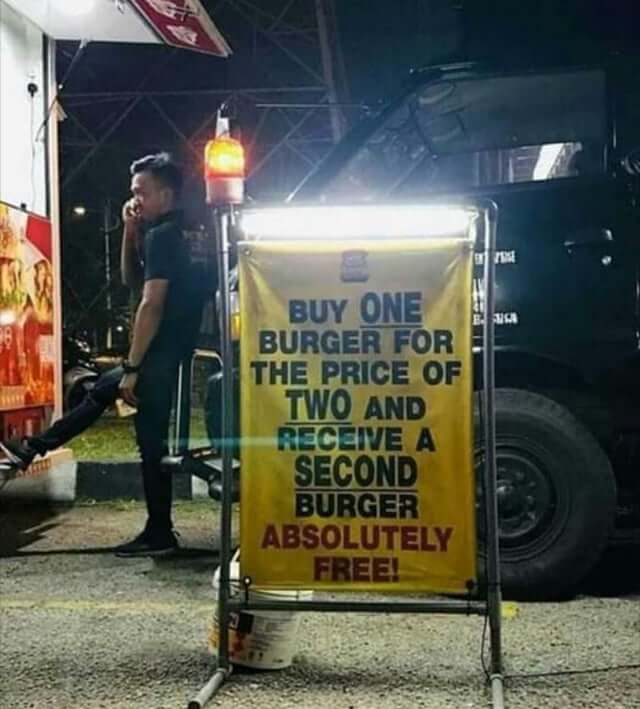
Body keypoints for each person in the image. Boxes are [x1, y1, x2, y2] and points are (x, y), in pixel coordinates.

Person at [0, 153, 207, 557]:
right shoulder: (169, 233)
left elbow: (151, 303)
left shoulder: (165, 236)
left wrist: (132, 367)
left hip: (160, 354)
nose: (134, 200)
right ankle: (159, 531)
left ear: (165, 194)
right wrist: (130, 230)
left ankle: (34, 448)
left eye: (141, 192)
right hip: (169, 350)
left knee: (131, 421)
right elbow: (132, 279)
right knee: (143, 436)